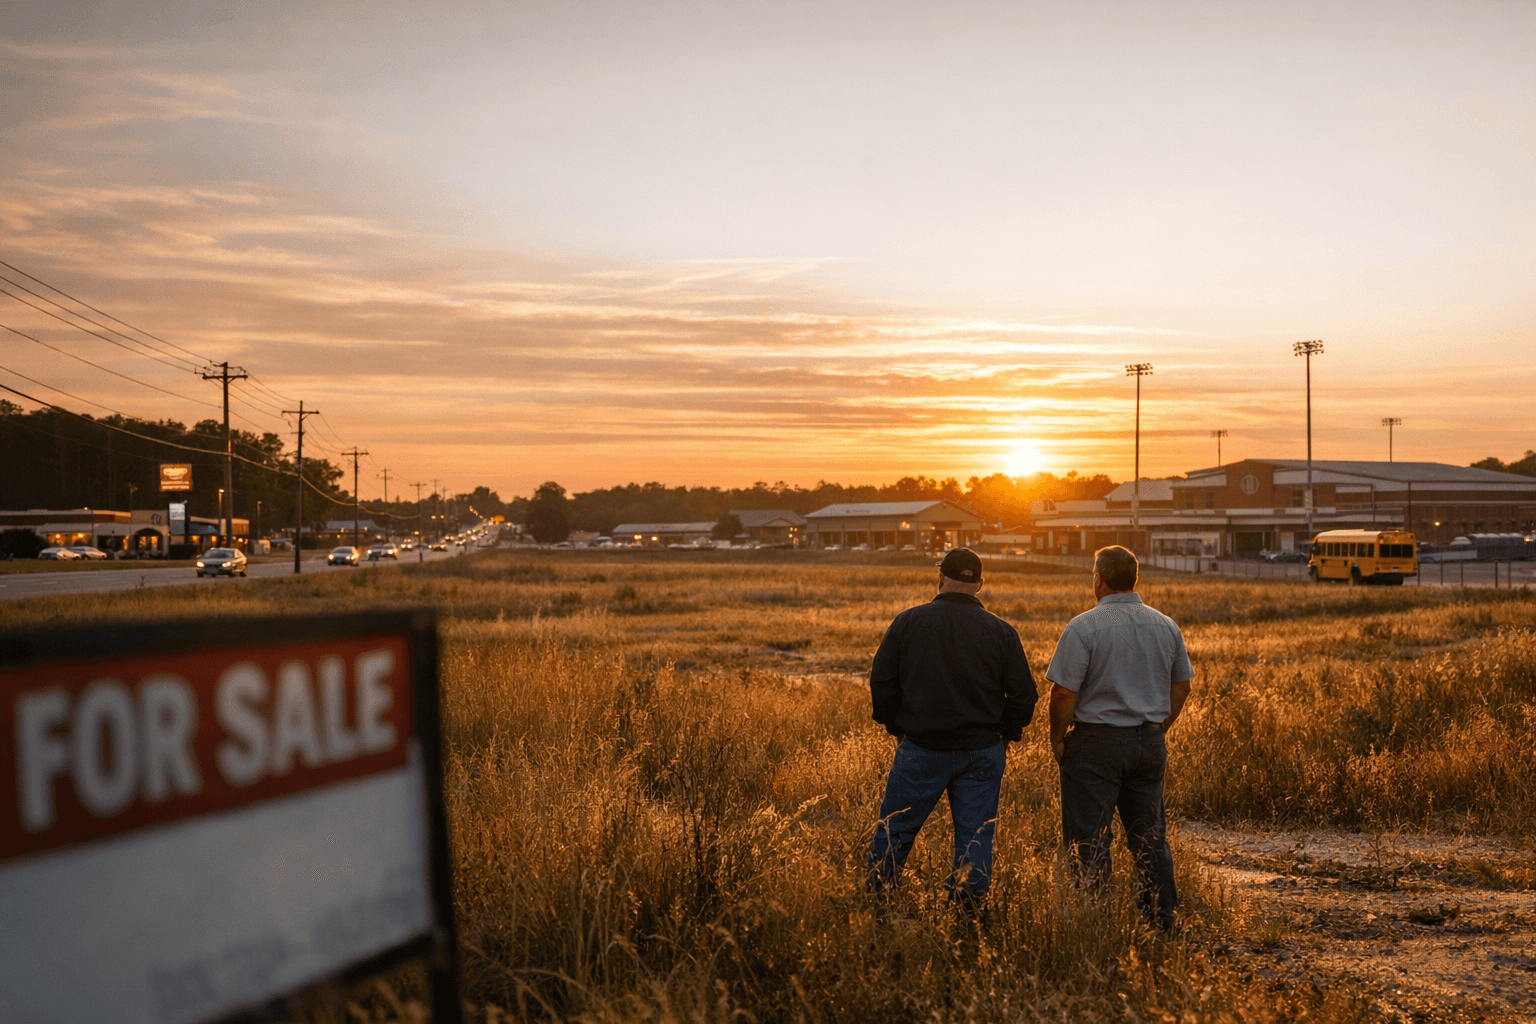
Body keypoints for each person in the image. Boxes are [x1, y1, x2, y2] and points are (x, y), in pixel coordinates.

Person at [866, 548, 1038, 903]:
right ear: (979, 584)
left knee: (895, 830)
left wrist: (897, 726)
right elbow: (1024, 695)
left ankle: (877, 900)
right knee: (975, 836)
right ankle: (968, 910)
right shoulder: (1002, 632)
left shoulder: (908, 622)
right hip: (982, 752)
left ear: (940, 578)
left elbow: (882, 683)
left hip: (921, 748)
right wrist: (1006, 733)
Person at [1046, 545, 1192, 930]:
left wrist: (1057, 738)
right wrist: (1159, 727)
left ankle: (1094, 922)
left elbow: (1063, 693)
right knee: (1149, 837)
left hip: (1095, 744)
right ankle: (1160, 918)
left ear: (1099, 579)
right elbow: (1183, 686)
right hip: (1149, 743)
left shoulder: (1083, 627)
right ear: (1135, 579)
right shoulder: (1165, 625)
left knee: (1089, 839)